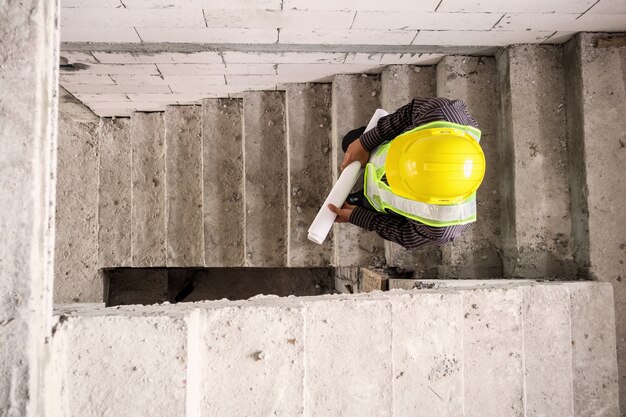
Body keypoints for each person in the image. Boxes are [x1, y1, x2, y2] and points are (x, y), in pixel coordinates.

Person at [328, 97, 486, 250]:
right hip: (383, 146)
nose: (392, 174)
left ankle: (362, 197)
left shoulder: (441, 225)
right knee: (349, 140)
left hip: (379, 200)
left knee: (348, 203)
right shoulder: (443, 114)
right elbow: (408, 113)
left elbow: (405, 234)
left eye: (400, 179)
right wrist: (366, 142)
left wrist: (359, 216)